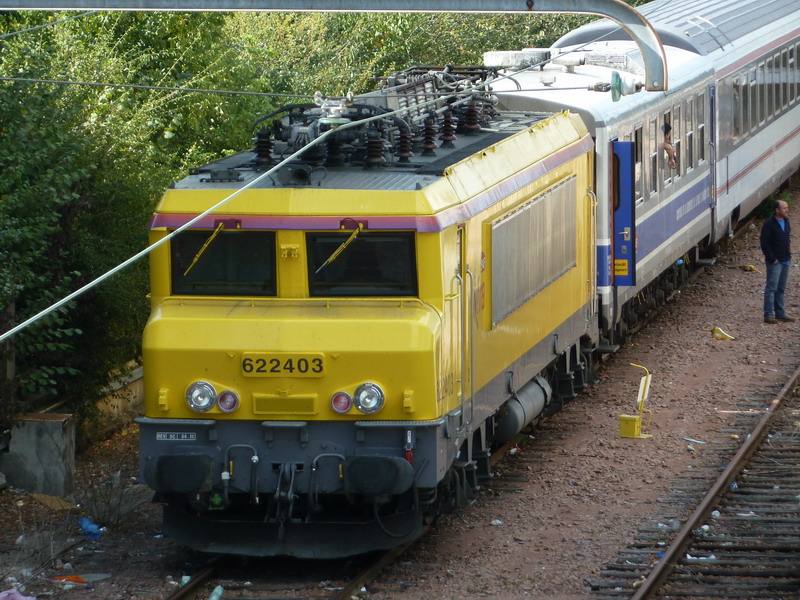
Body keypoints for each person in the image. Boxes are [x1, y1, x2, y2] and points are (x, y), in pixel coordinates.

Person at [760, 199, 795, 324]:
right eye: (784, 208)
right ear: (777, 210)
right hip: (775, 261)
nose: (787, 210)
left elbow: (786, 239)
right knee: (771, 288)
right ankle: (768, 314)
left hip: (785, 259)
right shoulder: (769, 223)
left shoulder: (786, 221)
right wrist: (771, 258)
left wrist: (788, 256)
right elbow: (764, 242)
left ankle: (780, 313)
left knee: (781, 288)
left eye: (786, 207)